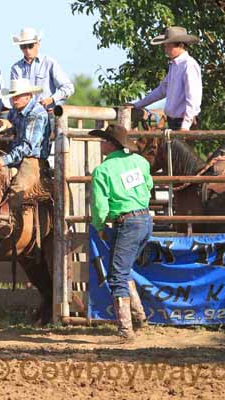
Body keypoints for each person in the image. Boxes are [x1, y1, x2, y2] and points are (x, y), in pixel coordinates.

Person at [89, 125, 153, 342]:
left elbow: (99, 205)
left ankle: (126, 329)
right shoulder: (140, 162)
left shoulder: (103, 170)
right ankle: (140, 317)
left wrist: (99, 226)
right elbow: (148, 186)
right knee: (123, 270)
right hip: (144, 220)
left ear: (110, 144)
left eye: (103, 139)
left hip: (126, 222)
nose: (101, 143)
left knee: (117, 275)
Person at [0, 79, 51, 239]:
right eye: (12, 96)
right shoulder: (15, 111)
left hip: (33, 160)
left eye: (17, 96)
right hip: (16, 157)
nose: (14, 99)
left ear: (29, 96)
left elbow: (28, 147)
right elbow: (10, 122)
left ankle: (8, 223)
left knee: (18, 189)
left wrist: (4, 160)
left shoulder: (37, 113)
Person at [132, 26, 202, 131]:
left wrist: (185, 126)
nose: (166, 50)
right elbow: (161, 90)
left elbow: (193, 99)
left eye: (169, 46)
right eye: (165, 46)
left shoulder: (188, 65)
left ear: (181, 45)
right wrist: (137, 105)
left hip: (184, 122)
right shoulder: (174, 65)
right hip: (173, 121)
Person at [10, 27, 74, 112]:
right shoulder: (16, 68)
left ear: (38, 44)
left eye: (30, 46)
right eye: (23, 46)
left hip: (47, 114)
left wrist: (52, 99)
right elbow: (15, 95)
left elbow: (68, 88)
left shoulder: (49, 63)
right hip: (24, 117)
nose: (27, 50)